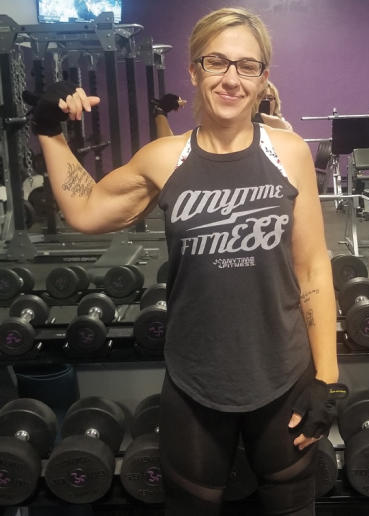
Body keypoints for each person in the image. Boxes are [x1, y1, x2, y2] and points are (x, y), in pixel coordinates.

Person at [31, 7, 337, 515]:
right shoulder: (164, 157)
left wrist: (327, 378)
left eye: (247, 66)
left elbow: (312, 268)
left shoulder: (289, 152)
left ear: (263, 79)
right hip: (196, 379)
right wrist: (49, 131)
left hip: (283, 375)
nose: (231, 78)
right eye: (217, 62)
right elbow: (86, 211)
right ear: (194, 71)